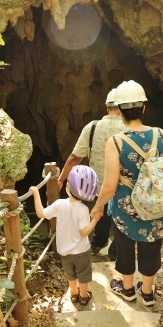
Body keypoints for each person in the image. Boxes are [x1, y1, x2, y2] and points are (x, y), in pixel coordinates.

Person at [91, 80, 163, 307]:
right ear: (143, 108)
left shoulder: (116, 142)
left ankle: (128, 288)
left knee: (125, 246)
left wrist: (98, 205)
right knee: (152, 244)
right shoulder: (161, 135)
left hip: (125, 206)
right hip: (156, 204)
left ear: (120, 111)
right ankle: (148, 292)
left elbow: (110, 185)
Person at [56, 88, 124, 260]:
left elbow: (74, 157)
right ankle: (115, 251)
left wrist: (61, 178)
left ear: (107, 108)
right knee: (121, 215)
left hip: (99, 184)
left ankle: (97, 243)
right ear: (123, 107)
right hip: (123, 183)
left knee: (99, 209)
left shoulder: (92, 127)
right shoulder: (130, 129)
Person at [29, 165, 100, 306]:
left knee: (71, 274)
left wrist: (36, 194)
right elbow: (84, 232)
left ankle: (74, 294)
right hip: (81, 251)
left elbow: (41, 214)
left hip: (64, 251)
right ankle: (83, 296)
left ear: (68, 189)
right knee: (83, 274)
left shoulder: (59, 204)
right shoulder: (83, 209)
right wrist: (95, 220)